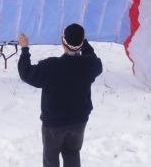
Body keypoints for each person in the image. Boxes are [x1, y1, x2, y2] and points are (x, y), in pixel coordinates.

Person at [17, 23, 102, 167]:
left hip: (53, 124)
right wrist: (82, 41)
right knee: (72, 154)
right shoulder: (90, 65)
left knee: (51, 158)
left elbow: (26, 73)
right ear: (82, 43)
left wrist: (25, 49)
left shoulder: (50, 66)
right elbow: (92, 57)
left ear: (63, 42)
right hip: (79, 121)